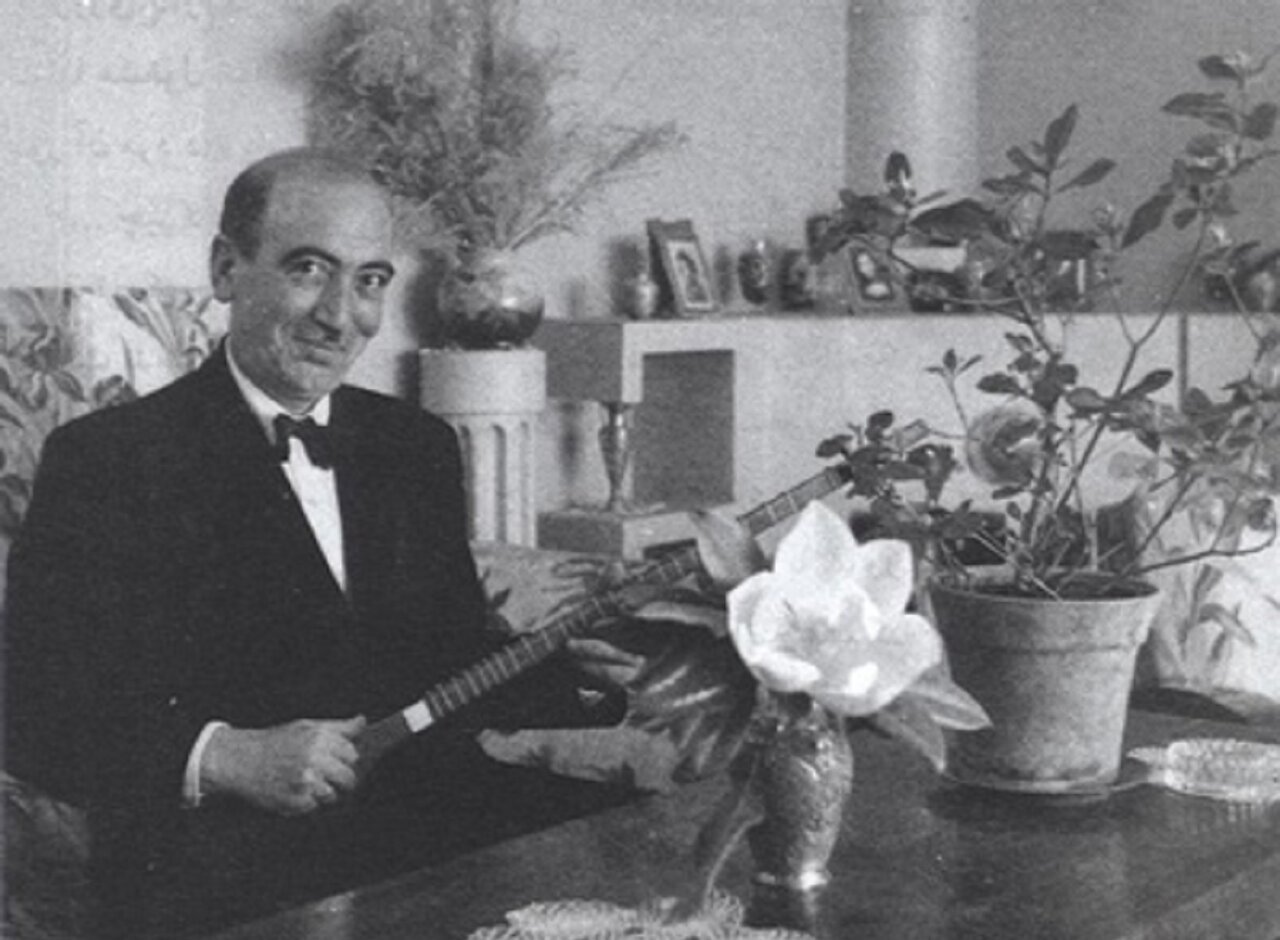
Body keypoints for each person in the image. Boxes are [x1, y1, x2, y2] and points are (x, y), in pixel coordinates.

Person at [3, 148, 644, 938]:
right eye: (309, 269)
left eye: (370, 281)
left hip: (427, 822)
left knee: (643, 860)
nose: (341, 316)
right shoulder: (108, 458)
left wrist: (558, 669)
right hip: (223, 863)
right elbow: (30, 710)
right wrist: (224, 755)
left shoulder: (415, 444)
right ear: (226, 269)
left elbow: (438, 656)